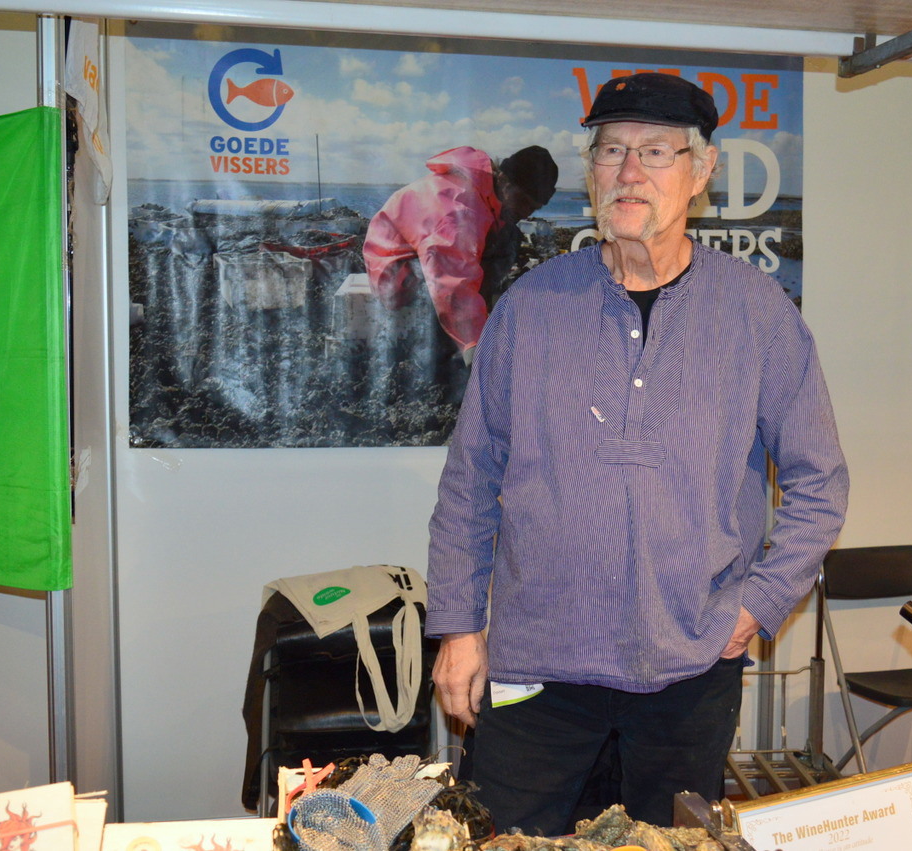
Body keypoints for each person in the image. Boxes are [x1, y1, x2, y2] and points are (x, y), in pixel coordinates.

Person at [423, 72, 848, 834]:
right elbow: (469, 481)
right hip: (537, 673)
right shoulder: (529, 309)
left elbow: (821, 482)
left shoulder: (757, 314)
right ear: (590, 172)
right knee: (507, 841)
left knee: (668, 843)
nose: (629, 171)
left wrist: (756, 606)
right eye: (611, 150)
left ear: (702, 171)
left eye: (655, 151)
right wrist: (459, 627)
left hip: (689, 674)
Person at [362, 145, 558, 366]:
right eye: (522, 201)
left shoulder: (486, 193)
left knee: (509, 238)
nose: (525, 212)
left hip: (426, 258)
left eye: (533, 208)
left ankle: (478, 321)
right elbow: (452, 283)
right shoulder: (458, 211)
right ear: (503, 180)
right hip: (395, 274)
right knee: (460, 292)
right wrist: (477, 349)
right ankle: (451, 347)